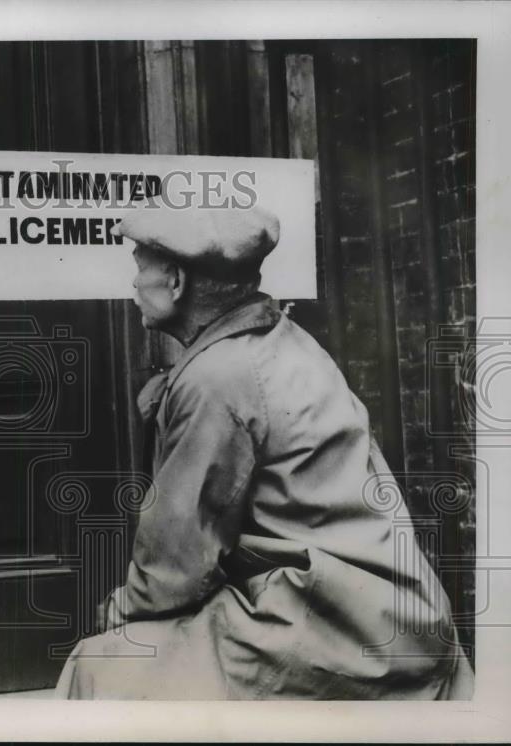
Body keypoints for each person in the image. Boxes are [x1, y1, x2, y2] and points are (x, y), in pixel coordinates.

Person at [54, 204, 474, 700]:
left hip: (336, 627)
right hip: (391, 618)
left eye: (141, 264)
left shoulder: (219, 377)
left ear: (175, 281)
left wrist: (113, 614)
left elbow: (171, 574)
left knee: (98, 665)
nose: (133, 282)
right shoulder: (283, 341)